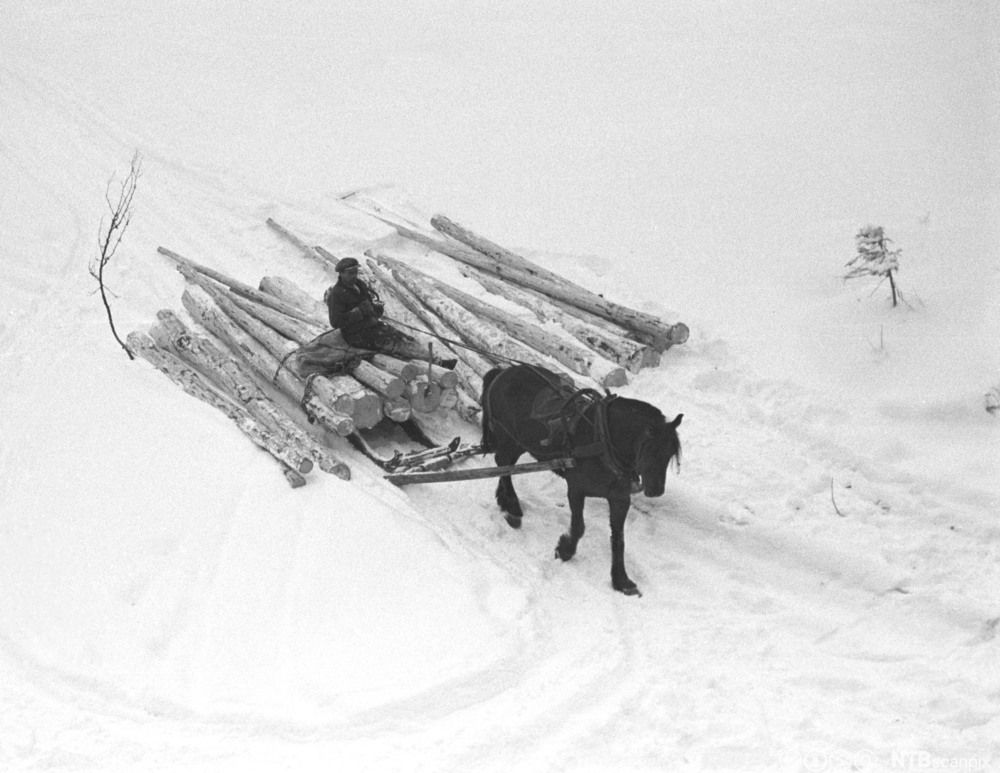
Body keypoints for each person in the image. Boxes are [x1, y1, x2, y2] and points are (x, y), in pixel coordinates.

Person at [325, 257, 456, 367]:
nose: (354, 276)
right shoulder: (337, 295)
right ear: (341, 274)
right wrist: (358, 312)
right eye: (350, 273)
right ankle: (437, 364)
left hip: (372, 326)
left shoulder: (359, 285)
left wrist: (376, 308)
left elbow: (371, 305)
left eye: (355, 272)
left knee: (406, 339)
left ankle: (435, 360)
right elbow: (336, 322)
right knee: (397, 344)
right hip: (357, 335)